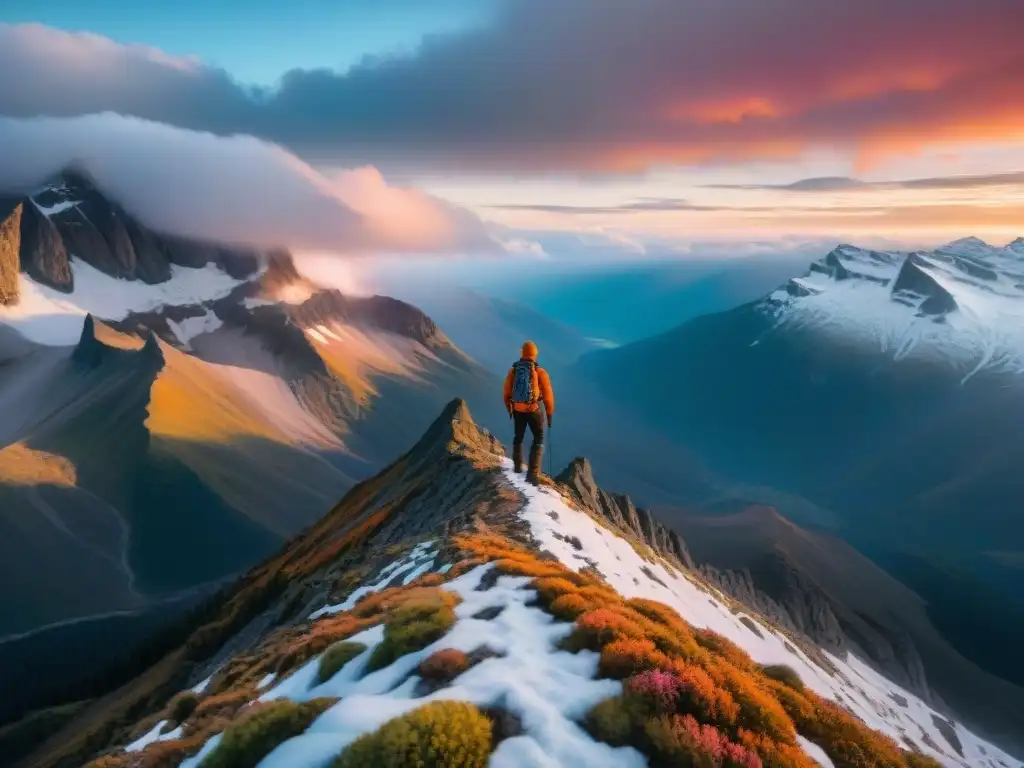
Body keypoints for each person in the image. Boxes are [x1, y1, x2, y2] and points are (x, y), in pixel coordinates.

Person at [503, 340, 555, 485]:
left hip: (518, 409)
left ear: (522, 353)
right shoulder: (540, 372)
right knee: (538, 438)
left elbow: (506, 392)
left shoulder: (513, 370)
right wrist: (549, 414)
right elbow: (548, 395)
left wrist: (510, 409)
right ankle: (532, 474)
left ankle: (518, 467)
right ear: (535, 354)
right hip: (533, 409)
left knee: (518, 437)